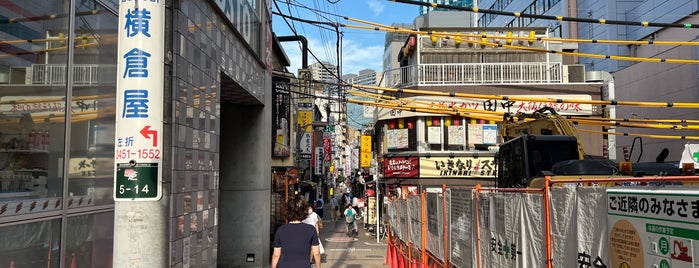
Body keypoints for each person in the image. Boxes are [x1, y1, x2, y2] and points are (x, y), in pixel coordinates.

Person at [272, 196, 321, 268]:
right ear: (304, 211)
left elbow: (276, 255)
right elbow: (316, 253)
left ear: (287, 212)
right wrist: (318, 266)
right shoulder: (311, 230)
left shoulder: (280, 230)